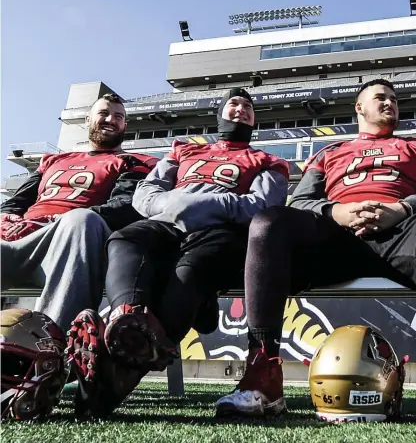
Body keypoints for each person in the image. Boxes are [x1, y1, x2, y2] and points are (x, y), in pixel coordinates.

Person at [214, 79, 416, 428]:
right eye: (380, 98)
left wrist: (401, 209)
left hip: (404, 234)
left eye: (394, 99)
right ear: (359, 108)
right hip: (336, 239)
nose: (389, 103)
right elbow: (301, 201)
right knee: (268, 222)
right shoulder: (328, 153)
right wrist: (337, 212)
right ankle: (264, 370)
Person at [65, 87, 289, 417]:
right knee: (126, 239)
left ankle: (112, 378)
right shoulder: (184, 150)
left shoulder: (269, 161)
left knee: (191, 270)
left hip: (221, 232)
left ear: (254, 119)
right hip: (167, 224)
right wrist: (171, 205)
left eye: (247, 107)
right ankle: (129, 318)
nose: (240, 110)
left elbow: (262, 207)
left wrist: (200, 204)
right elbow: (145, 196)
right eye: (233, 104)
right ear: (220, 114)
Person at [1, 93, 157, 331]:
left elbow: (123, 208)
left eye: (118, 116)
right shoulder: (54, 160)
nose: (111, 120)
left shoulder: (133, 161)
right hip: (26, 236)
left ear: (125, 125)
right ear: (88, 120)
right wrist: (7, 217)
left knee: (81, 219)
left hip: (73, 239)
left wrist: (56, 220)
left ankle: (57, 343)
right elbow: (17, 202)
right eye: (104, 113)